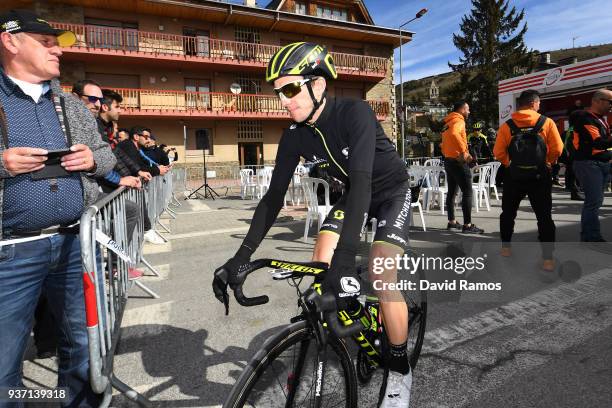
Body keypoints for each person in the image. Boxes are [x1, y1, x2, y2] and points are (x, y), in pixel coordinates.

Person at [213, 42, 416, 407]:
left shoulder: (354, 113)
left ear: (318, 85)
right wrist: (239, 257)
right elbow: (273, 199)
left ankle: (400, 371)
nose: (284, 100)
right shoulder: (295, 134)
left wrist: (347, 259)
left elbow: (364, 184)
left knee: (381, 273)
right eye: (279, 93)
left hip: (388, 193)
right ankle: (344, 326)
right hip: (355, 193)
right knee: (321, 259)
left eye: (290, 89)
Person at [0, 9, 116, 406]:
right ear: (11, 41)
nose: (58, 52)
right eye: (46, 43)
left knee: (83, 350)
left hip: (73, 246)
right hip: (9, 251)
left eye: (58, 45)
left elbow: (107, 156)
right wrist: (3, 164)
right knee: (3, 365)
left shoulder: (71, 105)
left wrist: (92, 160)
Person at [493, 89, 563, 272]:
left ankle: (506, 248)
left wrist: (510, 164)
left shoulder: (507, 126)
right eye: (539, 103)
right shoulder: (546, 122)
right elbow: (558, 148)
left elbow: (498, 153)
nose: (540, 106)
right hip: (540, 176)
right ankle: (548, 260)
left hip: (514, 177)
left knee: (508, 213)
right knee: (544, 217)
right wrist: (547, 162)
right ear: (533, 103)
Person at [571, 89, 612, 242]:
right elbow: (598, 143)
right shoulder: (585, 118)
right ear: (598, 101)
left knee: (596, 200)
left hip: (599, 163)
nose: (611, 106)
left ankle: (591, 235)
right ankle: (590, 236)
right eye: (610, 102)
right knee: (593, 201)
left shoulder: (600, 118)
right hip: (588, 164)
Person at [441, 101, 484, 233]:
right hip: (458, 161)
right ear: (462, 110)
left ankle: (452, 222)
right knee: (467, 192)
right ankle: (467, 225)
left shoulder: (447, 123)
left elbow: (443, 142)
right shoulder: (459, 121)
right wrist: (465, 151)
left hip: (448, 160)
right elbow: (455, 134)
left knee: (452, 192)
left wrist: (447, 152)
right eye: (468, 109)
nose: (469, 112)